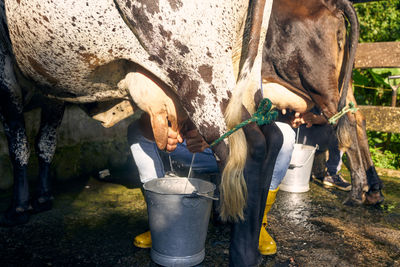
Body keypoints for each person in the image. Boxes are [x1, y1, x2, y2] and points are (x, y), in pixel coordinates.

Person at [127, 112, 296, 255]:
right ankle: (161, 222)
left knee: (285, 134)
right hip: (186, 148)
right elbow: (145, 118)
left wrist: (214, 134)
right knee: (136, 131)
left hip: (234, 148)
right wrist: (163, 130)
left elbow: (255, 117)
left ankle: (258, 223)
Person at [290, 110, 352, 192]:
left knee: (340, 129)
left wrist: (316, 119)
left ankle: (332, 174)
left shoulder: (327, 98)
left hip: (318, 134)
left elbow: (334, 115)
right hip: (297, 132)